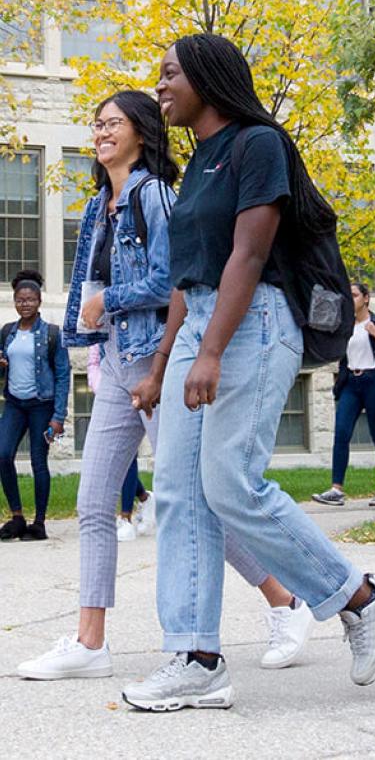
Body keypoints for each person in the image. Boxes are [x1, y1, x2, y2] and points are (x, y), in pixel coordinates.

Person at [122, 33, 375, 712]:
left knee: (229, 483)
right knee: (178, 494)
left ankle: (361, 598)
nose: (159, 85)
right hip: (201, 328)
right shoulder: (196, 166)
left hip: (254, 322)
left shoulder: (258, 144)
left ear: (207, 79)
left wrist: (214, 351)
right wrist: (167, 362)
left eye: (169, 75)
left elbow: (248, 256)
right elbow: (187, 280)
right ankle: (195, 656)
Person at [18, 90, 312, 682]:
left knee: (189, 501)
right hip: (118, 364)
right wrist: (93, 314)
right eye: (96, 124)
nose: (100, 132)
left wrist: (109, 301)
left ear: (142, 132)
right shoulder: (103, 203)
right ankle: (90, 642)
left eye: (113, 123)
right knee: (95, 502)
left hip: (156, 360)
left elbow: (173, 278)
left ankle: (287, 601)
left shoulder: (154, 195)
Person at [312, 282, 375, 507]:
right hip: (350, 381)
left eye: (354, 295)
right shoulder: (344, 325)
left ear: (366, 298)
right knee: (341, 433)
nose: (350, 299)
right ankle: (336, 489)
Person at [0, 270, 71, 541]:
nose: (24, 304)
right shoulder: (7, 332)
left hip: (42, 405)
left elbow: (63, 376)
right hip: (15, 404)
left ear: (39, 301)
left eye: (29, 299)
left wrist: (58, 416)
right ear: (14, 302)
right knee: (3, 455)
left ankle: (39, 523)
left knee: (38, 462)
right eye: (20, 300)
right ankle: (17, 517)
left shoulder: (52, 334)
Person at [87, 343, 155, 542]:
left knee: (129, 458)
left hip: (139, 387)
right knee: (110, 461)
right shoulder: (102, 331)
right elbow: (93, 363)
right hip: (108, 393)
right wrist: (103, 388)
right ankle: (144, 497)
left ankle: (125, 517)